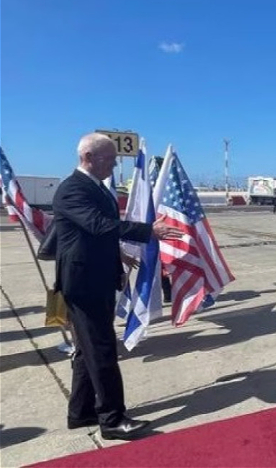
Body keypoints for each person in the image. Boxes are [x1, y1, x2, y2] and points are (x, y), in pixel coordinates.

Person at [53, 133, 182, 440]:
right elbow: (98, 225)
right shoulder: (72, 189)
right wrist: (148, 230)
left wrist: (117, 260)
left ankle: (81, 411)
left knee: (87, 349)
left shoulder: (96, 187)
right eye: (109, 159)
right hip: (83, 283)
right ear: (88, 158)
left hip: (97, 277)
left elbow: (96, 235)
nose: (114, 164)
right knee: (102, 349)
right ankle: (112, 419)